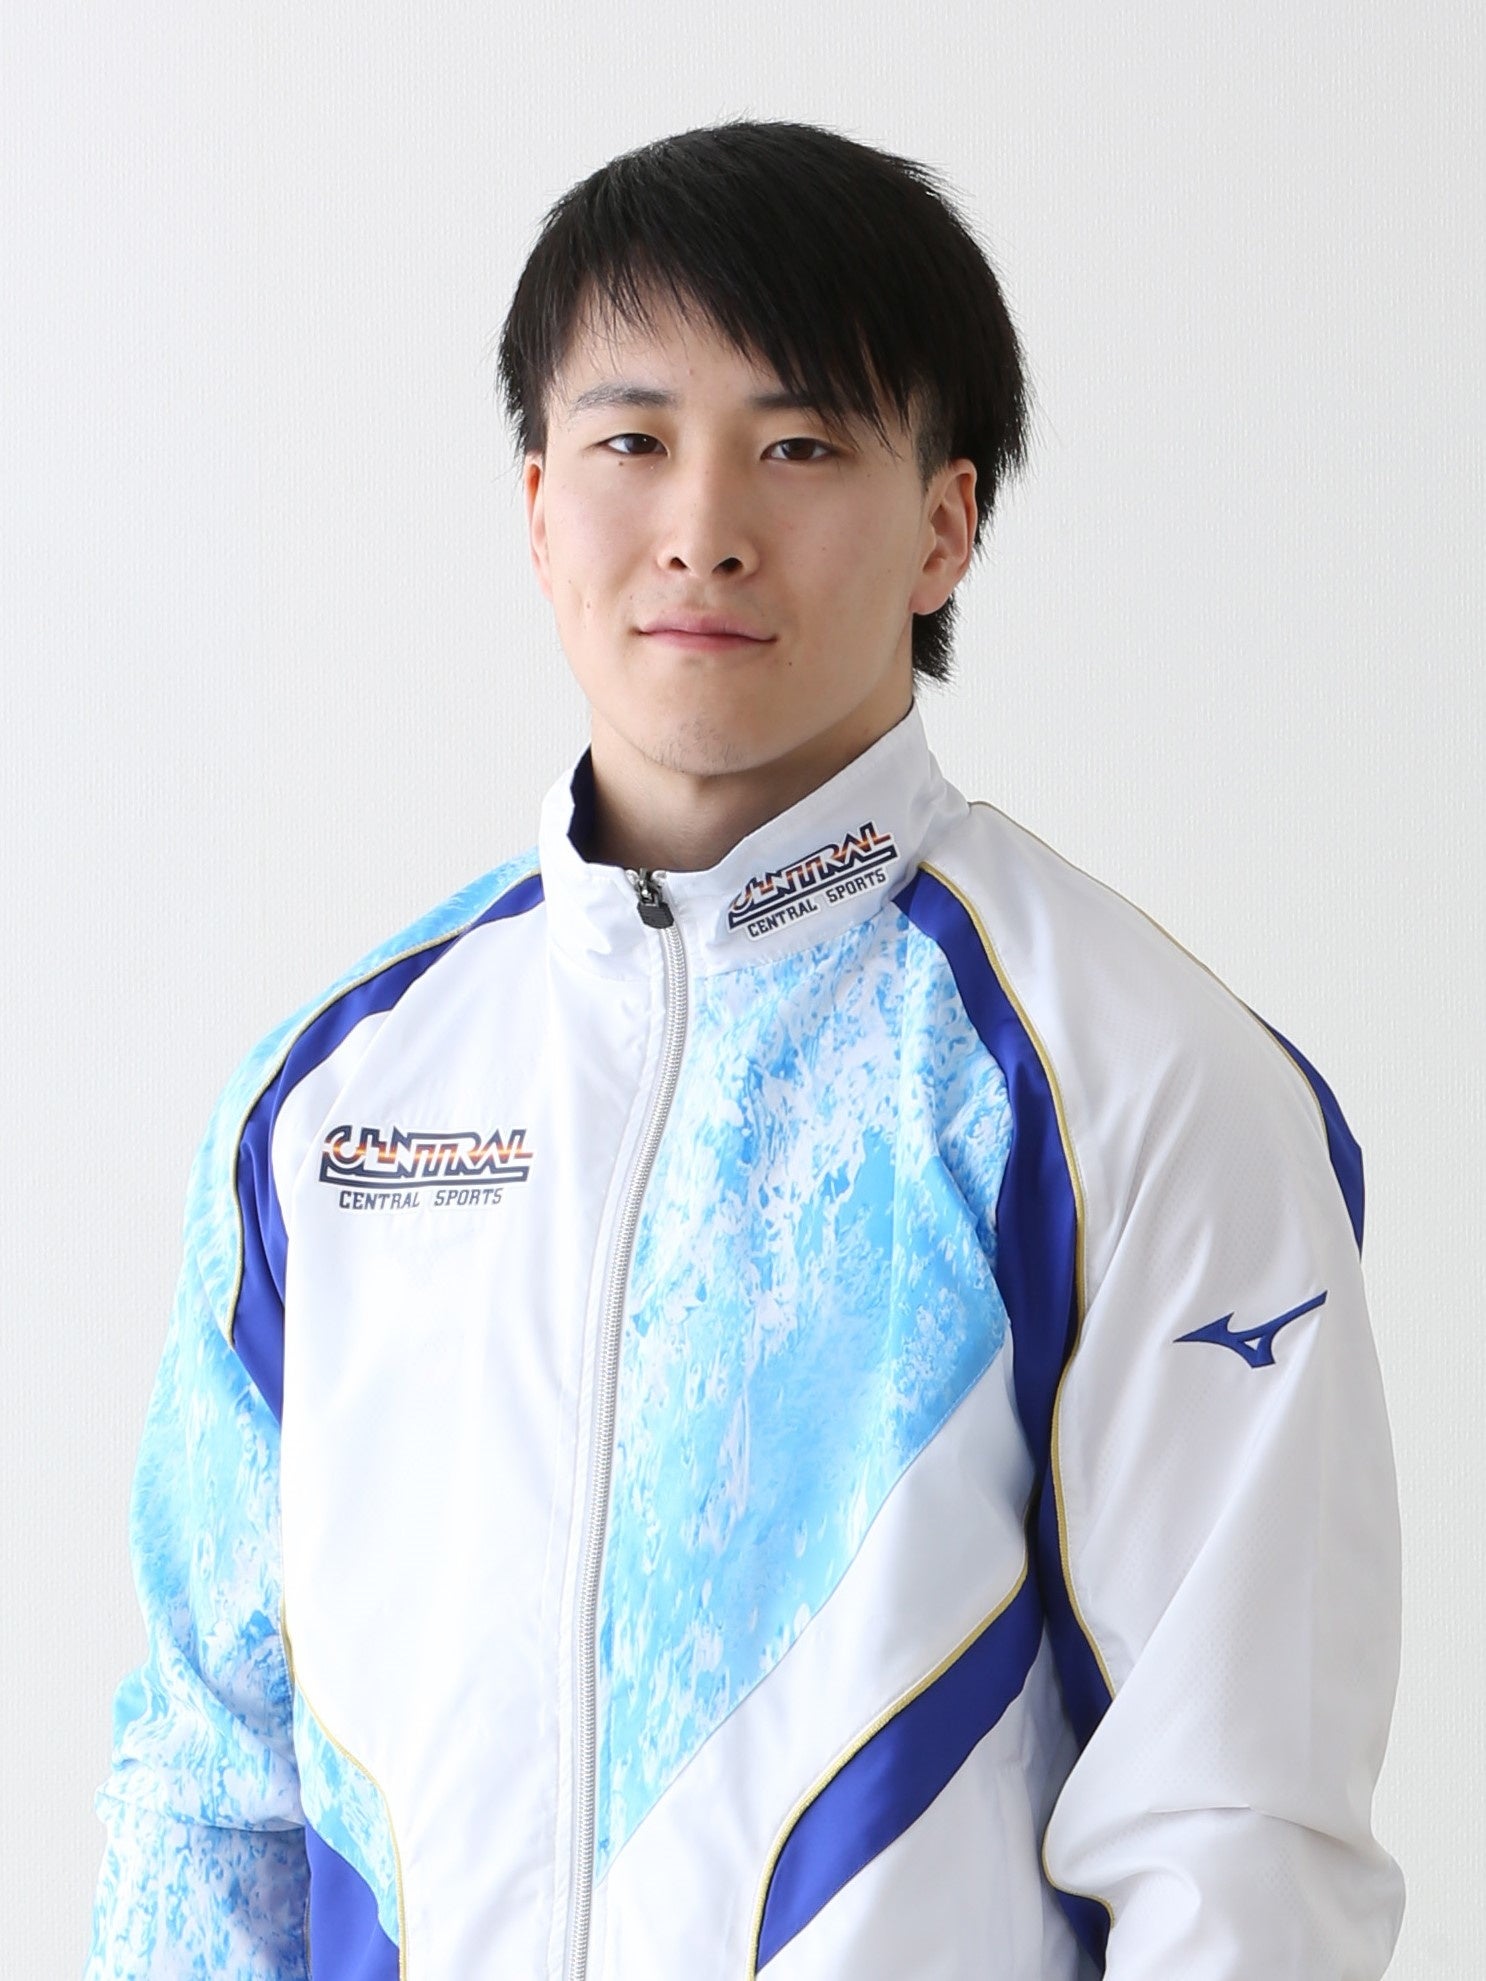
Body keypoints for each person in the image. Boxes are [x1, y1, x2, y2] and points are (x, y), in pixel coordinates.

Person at [85, 118, 1405, 1979]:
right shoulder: (337, 1099)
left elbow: (1238, 1849)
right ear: (536, 505)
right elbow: (206, 1782)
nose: (702, 522)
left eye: (798, 446)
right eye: (631, 441)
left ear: (944, 522)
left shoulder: (1133, 1083)